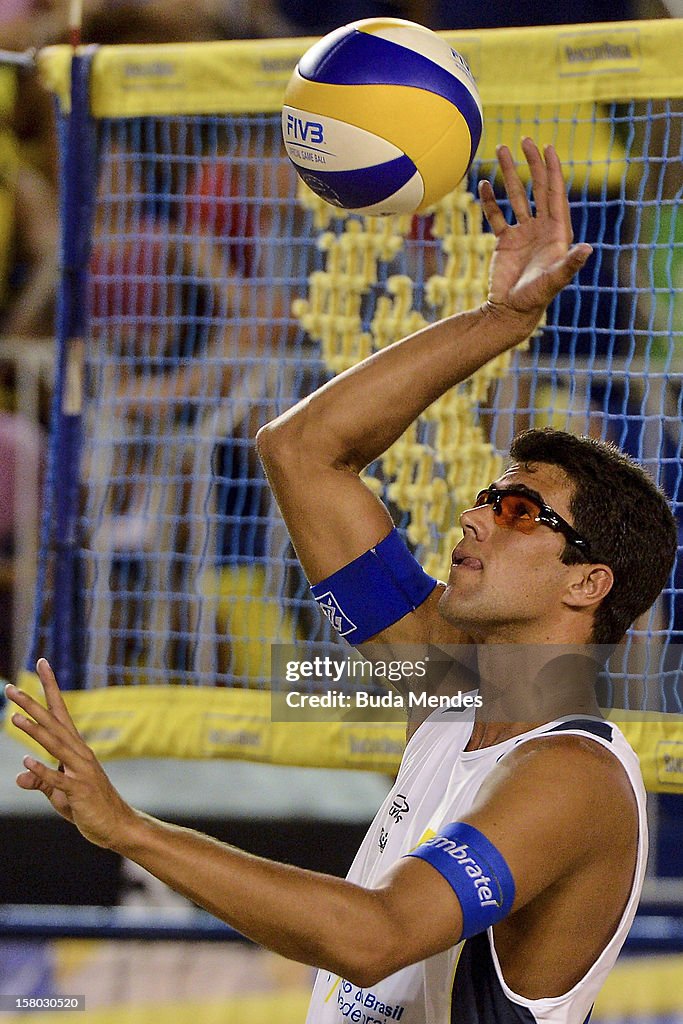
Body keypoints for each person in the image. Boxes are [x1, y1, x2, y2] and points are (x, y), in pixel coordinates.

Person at [6, 140, 678, 1024]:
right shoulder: (452, 683)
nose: (474, 517)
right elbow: (301, 451)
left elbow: (372, 935)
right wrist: (499, 320)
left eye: (518, 511)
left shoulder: (571, 774)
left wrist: (128, 828)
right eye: (486, 497)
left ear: (588, 583)